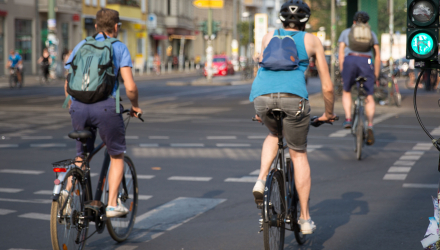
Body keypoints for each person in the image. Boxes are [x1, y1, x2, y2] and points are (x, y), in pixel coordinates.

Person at [250, 0, 336, 235]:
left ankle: (260, 179)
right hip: (293, 99)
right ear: (306, 20)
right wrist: (328, 113)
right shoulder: (312, 41)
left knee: (273, 133)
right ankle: (305, 218)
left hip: (262, 98)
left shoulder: (268, 37)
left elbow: (260, 72)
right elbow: (327, 87)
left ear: (281, 18)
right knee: (298, 155)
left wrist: (259, 110)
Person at [64, 8, 143, 218]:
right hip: (106, 107)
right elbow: (130, 87)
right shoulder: (119, 47)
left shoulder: (81, 45)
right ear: (117, 27)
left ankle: (65, 192)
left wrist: (74, 105)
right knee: (116, 155)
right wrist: (135, 106)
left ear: (96, 26)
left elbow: (68, 80)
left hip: (78, 107)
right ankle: (111, 205)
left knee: (81, 156)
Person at [338, 11, 380, 146]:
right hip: (366, 62)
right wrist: (376, 74)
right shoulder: (371, 33)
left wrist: (342, 70)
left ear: (354, 22)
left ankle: (349, 119)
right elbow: (377, 55)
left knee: (347, 90)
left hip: (350, 60)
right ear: (366, 22)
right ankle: (370, 125)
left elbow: (340, 53)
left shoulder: (346, 32)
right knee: (369, 96)